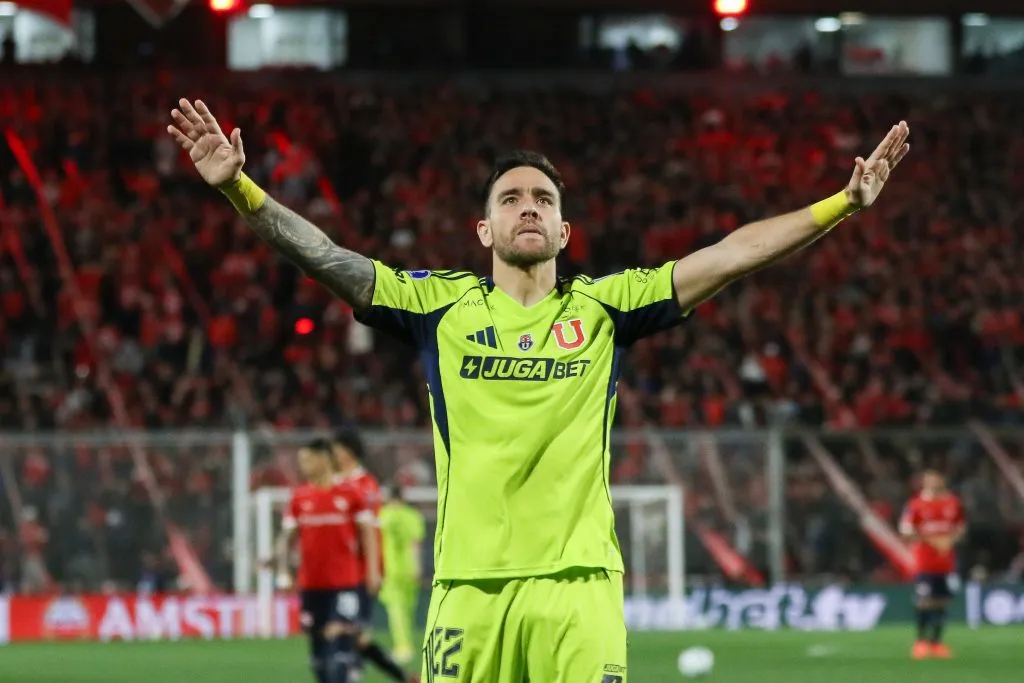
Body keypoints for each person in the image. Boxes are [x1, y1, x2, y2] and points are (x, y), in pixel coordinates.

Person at [168, 98, 909, 681]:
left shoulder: (606, 307)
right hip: (467, 589)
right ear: (483, 230)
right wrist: (239, 187)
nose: (528, 206)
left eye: (544, 199)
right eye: (511, 198)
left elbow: (731, 255)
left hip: (578, 588)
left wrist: (840, 204)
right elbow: (328, 258)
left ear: (563, 231)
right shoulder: (438, 306)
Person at [275, 438, 381, 683]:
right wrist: (282, 570)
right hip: (312, 585)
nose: (303, 465)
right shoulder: (299, 498)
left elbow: (368, 535)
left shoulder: (351, 493)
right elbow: (286, 538)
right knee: (319, 655)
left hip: (345, 583)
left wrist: (373, 571)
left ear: (323, 459)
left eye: (307, 460)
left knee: (342, 644)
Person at [331, 429, 416, 682]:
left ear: (347, 452)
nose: (332, 455)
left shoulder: (366, 485)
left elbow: (371, 533)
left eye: (336, 450)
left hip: (358, 572)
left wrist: (374, 570)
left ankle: (361, 673)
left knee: (354, 632)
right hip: (336, 572)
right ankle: (402, 676)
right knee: (348, 633)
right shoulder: (334, 483)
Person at [899, 469, 965, 659]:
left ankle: (936, 643)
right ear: (925, 483)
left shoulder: (953, 503)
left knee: (942, 601)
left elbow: (961, 527)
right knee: (924, 601)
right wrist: (932, 540)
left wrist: (951, 540)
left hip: (946, 562)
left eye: (937, 479)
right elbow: (905, 530)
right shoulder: (916, 504)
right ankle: (920, 642)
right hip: (925, 562)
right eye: (930, 480)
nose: (934, 483)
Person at [378, 485, 426, 664]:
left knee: (396, 610)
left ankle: (403, 647)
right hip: (410, 569)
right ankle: (408, 644)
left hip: (390, 570)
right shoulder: (413, 516)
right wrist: (417, 567)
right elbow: (416, 543)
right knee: (408, 610)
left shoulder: (383, 515)